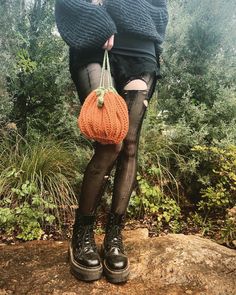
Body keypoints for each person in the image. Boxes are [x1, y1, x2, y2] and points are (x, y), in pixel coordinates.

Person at [55, 0, 168, 284]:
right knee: (110, 143)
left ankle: (114, 236)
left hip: (141, 46)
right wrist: (100, 17)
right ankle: (82, 233)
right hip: (95, 37)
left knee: (130, 144)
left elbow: (160, 8)